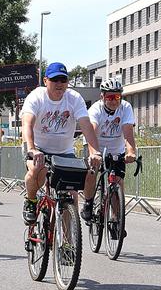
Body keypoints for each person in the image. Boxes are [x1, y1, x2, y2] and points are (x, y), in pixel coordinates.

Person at [20, 62, 102, 224]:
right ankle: (30, 201)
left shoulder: (74, 98)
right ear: (45, 81)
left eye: (63, 80)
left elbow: (86, 125)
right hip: (38, 149)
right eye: (55, 80)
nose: (59, 84)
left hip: (64, 152)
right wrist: (32, 149)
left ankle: (66, 242)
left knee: (71, 195)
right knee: (37, 170)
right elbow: (27, 124)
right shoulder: (36, 97)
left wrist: (94, 152)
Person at [81, 78, 137, 226]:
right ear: (102, 97)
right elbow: (91, 132)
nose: (113, 101)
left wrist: (130, 152)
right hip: (95, 145)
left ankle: (116, 218)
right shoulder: (95, 109)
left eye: (117, 97)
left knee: (118, 181)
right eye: (110, 97)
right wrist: (94, 153)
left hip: (115, 149)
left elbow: (129, 134)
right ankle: (88, 202)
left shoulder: (125, 108)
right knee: (92, 171)